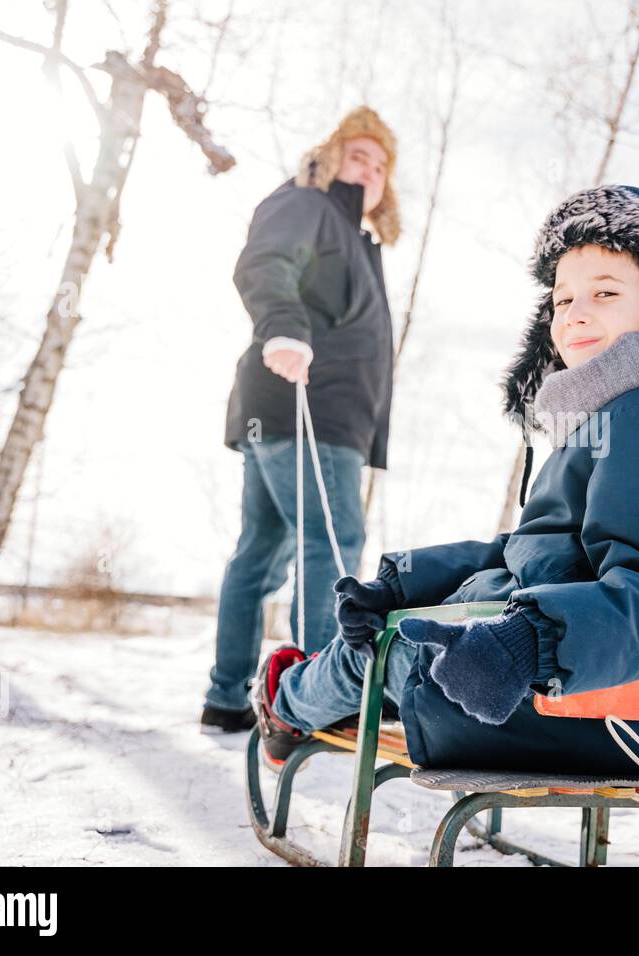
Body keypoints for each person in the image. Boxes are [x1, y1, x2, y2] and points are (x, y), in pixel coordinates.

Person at [250, 184, 639, 773]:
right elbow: (535, 555)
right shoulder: (622, 420)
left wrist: (527, 647)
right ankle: (319, 692)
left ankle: (282, 702)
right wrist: (401, 585)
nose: (575, 314)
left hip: (576, 706)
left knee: (369, 655)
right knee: (391, 637)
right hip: (599, 709)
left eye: (606, 292)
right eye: (562, 299)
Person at [200, 106, 402, 733]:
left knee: (261, 551)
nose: (367, 169)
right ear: (329, 156)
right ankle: (322, 695)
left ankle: (226, 699)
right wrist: (283, 329)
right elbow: (266, 262)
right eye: (357, 155)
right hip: (304, 399)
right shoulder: (307, 204)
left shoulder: (356, 239)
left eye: (380, 163)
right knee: (334, 540)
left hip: (310, 410)